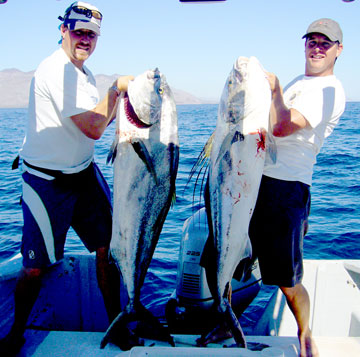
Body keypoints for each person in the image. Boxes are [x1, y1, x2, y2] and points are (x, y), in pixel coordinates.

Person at [198, 18, 345, 357]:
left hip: (286, 189)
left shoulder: (329, 90)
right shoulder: (300, 83)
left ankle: (306, 333)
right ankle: (225, 316)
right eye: (313, 40)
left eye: (326, 43)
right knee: (217, 257)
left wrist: (276, 91)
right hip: (253, 182)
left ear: (339, 50)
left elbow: (280, 127)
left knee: (286, 278)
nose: (317, 47)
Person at [0, 2, 133, 355]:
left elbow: (98, 124)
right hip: (47, 183)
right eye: (79, 31)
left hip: (84, 174)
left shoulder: (84, 74)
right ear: (63, 30)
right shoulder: (54, 70)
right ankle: (16, 334)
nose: (84, 39)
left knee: (109, 251)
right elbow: (92, 127)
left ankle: (115, 324)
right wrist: (115, 90)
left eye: (91, 34)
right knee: (35, 267)